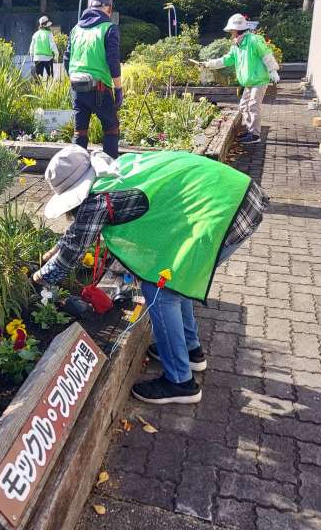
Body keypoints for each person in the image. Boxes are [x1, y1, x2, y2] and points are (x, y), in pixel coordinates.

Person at [32, 145, 269, 405]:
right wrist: (55, 248)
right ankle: (191, 351)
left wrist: (39, 278)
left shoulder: (97, 200)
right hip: (239, 195)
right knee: (178, 281)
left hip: (228, 214)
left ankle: (180, 382)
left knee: (161, 291)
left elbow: (73, 252)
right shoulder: (116, 171)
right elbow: (79, 234)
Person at [199, 13, 280, 145]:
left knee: (253, 105)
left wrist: (273, 70)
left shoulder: (254, 40)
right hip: (249, 82)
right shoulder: (237, 45)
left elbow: (266, 54)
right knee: (243, 106)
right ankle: (250, 130)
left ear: (237, 30)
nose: (231, 33)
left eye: (232, 31)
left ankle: (255, 135)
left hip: (259, 80)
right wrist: (209, 64)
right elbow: (226, 60)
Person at [63, 0, 122, 159]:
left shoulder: (76, 29)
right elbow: (113, 61)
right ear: (109, 8)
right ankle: (109, 174)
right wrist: (118, 90)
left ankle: (75, 173)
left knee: (80, 132)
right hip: (100, 88)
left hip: (77, 87)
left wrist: (75, 79)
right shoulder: (109, 28)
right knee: (111, 128)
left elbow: (66, 59)